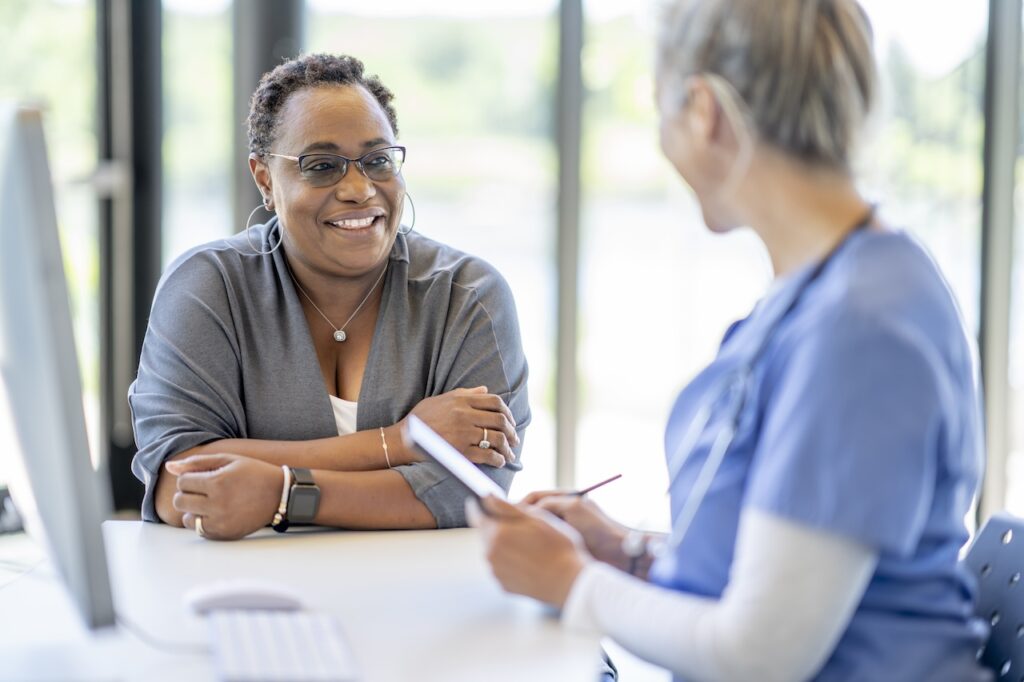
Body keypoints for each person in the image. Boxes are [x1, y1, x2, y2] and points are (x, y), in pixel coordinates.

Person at [474, 1, 990, 680]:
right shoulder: (833, 285)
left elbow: (758, 656)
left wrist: (570, 582)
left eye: (660, 108)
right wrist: (624, 551)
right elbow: (789, 575)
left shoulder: (859, 331)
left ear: (704, 111)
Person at [129, 54, 529, 541]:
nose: (360, 189)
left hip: (421, 595)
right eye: (322, 166)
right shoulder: (208, 288)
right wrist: (400, 443)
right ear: (264, 179)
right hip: (245, 592)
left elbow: (472, 489)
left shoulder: (468, 297)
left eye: (378, 160)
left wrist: (277, 495)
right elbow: (180, 483)